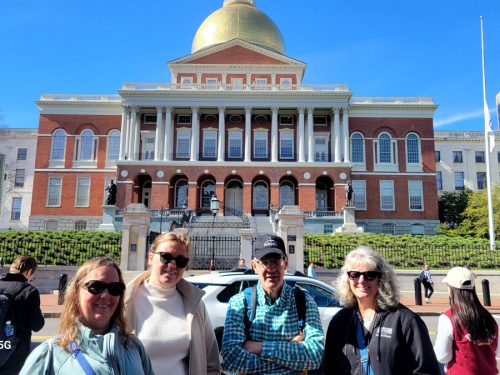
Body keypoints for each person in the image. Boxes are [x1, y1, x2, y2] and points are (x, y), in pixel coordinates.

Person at [20, 256, 153, 375]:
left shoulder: (134, 347)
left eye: (115, 288)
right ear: (76, 292)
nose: (106, 295)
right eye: (96, 286)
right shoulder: (49, 355)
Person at [323, 246, 440, 374]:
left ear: (381, 279)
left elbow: (427, 370)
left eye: (369, 275)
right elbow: (330, 368)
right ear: (348, 279)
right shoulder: (340, 321)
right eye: (354, 274)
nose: (361, 280)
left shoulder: (405, 320)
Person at [221, 234, 325, 374]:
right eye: (265, 261)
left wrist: (258, 347)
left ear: (285, 264)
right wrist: (290, 349)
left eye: (276, 261)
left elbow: (315, 356)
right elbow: (231, 359)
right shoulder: (239, 303)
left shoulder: (303, 300)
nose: (271, 268)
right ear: (255, 266)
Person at [125, 232, 221, 375]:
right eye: (166, 257)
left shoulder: (195, 304)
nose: (173, 265)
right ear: (150, 258)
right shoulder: (125, 301)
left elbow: (212, 364)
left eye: (181, 261)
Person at [434, 267, 498, 374]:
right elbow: (494, 349)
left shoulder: (448, 318)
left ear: (451, 288)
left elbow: (442, 356)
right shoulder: (488, 317)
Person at [0, 256, 44, 375]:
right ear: (29, 272)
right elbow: (37, 325)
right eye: (32, 275)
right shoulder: (29, 291)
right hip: (15, 353)